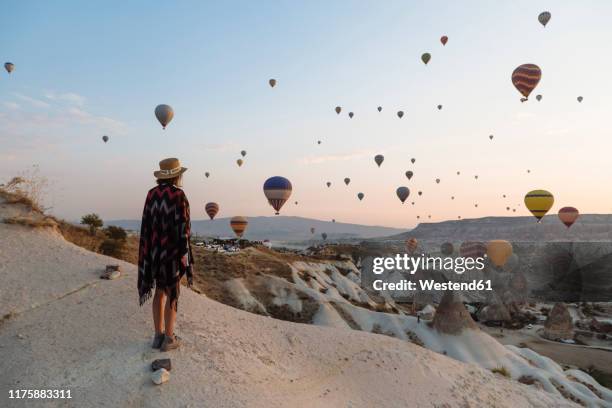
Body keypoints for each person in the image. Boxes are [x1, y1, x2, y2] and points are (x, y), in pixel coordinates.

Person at [138, 158, 193, 352]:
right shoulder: (178, 195)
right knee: (172, 293)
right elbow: (183, 227)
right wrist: (184, 254)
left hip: (154, 252)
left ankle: (157, 335)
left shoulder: (151, 194)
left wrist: (148, 249)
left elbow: (146, 224)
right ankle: (169, 338)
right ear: (177, 175)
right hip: (171, 253)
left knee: (159, 292)